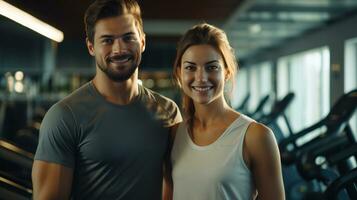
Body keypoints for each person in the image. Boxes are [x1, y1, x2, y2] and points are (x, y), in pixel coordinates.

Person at [31, 0, 182, 199]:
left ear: (143, 42)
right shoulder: (64, 117)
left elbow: (176, 182)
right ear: (91, 47)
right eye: (108, 40)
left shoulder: (168, 112)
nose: (119, 49)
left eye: (128, 38)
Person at [170, 23, 285, 200]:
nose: (201, 78)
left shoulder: (256, 136)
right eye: (190, 67)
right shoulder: (173, 134)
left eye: (212, 67)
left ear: (227, 71)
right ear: (179, 73)